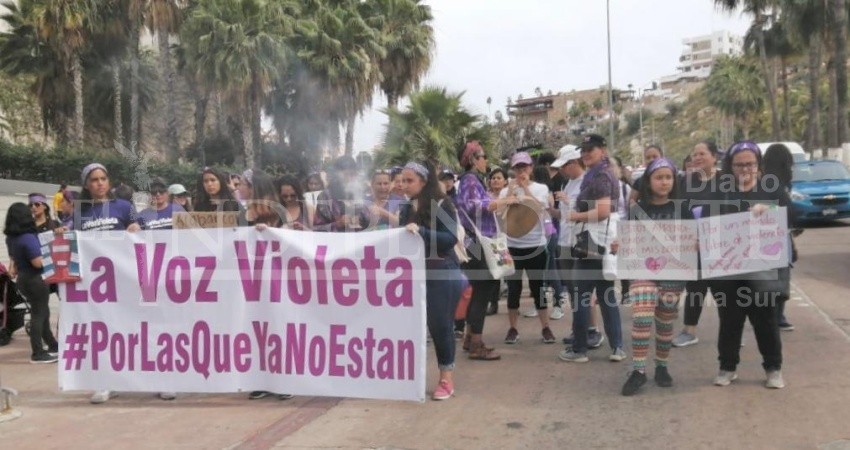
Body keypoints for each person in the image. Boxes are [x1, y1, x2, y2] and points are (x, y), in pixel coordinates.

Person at [709, 141, 788, 389]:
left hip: (763, 268)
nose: (745, 168)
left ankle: (773, 368)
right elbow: (705, 221)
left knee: (765, 321)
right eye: (739, 164)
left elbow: (791, 216)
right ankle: (727, 367)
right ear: (730, 166)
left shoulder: (772, 189)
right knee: (730, 321)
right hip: (729, 270)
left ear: (758, 164)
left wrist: (771, 208)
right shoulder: (719, 191)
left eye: (750, 164)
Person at [620, 158, 693, 396]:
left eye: (668, 177)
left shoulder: (684, 210)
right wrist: (618, 245)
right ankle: (638, 371)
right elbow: (628, 241)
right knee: (642, 317)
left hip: (673, 272)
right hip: (643, 271)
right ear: (649, 182)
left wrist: (697, 245)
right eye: (659, 177)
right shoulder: (637, 211)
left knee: (664, 322)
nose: (664, 182)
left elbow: (692, 242)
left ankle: (662, 366)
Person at [72, 163, 142, 403]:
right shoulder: (80, 211)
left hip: (126, 280)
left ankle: (155, 378)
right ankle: (106, 381)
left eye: (103, 178)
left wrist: (135, 227)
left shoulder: (123, 206)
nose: (100, 183)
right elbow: (78, 243)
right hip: (97, 286)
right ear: (86, 185)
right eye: (94, 180)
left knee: (136, 328)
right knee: (103, 332)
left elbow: (141, 235)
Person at [399, 161, 465, 400]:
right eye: (402, 180)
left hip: (442, 273)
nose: (403, 185)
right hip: (416, 275)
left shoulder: (441, 204)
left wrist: (422, 232)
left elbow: (449, 238)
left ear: (424, 182)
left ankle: (446, 379)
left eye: (409, 180)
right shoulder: (406, 208)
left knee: (441, 326)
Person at [559, 134, 624, 363]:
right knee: (606, 297)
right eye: (584, 149)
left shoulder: (600, 175)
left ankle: (579, 349)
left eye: (591, 149)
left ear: (602, 150)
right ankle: (617, 347)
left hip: (592, 242)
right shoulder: (601, 172)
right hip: (601, 241)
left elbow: (604, 210)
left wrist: (576, 215)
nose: (586, 153)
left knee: (581, 297)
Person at [500, 152, 557, 345]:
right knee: (513, 289)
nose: (521, 171)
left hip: (536, 245)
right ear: (513, 169)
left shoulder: (541, 188)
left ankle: (546, 327)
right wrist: (509, 193)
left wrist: (525, 190)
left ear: (531, 168)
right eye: (518, 168)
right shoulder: (506, 189)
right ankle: (513, 328)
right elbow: (500, 213)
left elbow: (542, 209)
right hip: (513, 246)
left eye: (525, 167)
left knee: (538, 288)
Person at [455, 141, 504, 360]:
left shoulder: (471, 180)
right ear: (474, 159)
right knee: (482, 291)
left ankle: (470, 338)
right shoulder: (471, 180)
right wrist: (503, 201)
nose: (486, 161)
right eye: (483, 156)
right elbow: (474, 207)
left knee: (478, 291)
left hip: (474, 243)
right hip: (477, 243)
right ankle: (476, 343)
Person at [552, 146, 604, 349]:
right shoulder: (568, 183)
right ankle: (579, 328)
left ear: (574, 162)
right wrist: (549, 210)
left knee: (584, 290)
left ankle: (592, 330)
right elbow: (564, 215)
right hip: (565, 240)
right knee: (574, 291)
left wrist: (569, 202)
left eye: (565, 165)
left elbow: (591, 210)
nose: (563, 170)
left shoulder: (587, 182)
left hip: (580, 242)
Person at [673, 141, 722, 347]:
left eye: (702, 153)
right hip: (693, 245)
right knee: (695, 288)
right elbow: (678, 208)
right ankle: (689, 330)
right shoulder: (685, 181)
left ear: (714, 157)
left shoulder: (726, 180)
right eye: (694, 154)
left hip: (722, 244)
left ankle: (732, 330)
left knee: (725, 290)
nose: (697, 157)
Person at [4, 203, 59, 364]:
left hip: (23, 279)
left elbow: (13, 259)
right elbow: (38, 263)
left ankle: (53, 345)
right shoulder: (28, 238)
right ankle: (38, 353)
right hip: (36, 279)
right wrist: (53, 256)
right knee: (39, 315)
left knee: (43, 313)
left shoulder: (11, 238)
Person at [763, 143, 796, 332]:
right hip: (774, 238)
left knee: (776, 278)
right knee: (779, 279)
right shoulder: (773, 183)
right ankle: (775, 316)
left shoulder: (770, 181)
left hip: (781, 237)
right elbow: (785, 211)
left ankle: (777, 315)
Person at [313, 156, 362, 232]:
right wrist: (338, 224)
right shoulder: (325, 196)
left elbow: (370, 224)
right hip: (334, 242)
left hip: (358, 242)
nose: (349, 178)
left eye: (352, 174)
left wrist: (361, 220)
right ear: (336, 175)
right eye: (346, 174)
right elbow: (318, 229)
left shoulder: (359, 194)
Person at [485, 167, 508, 316]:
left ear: (505, 181)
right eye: (493, 178)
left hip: (510, 237)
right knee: (496, 271)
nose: (495, 180)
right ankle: (493, 303)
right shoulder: (486, 196)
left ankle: (513, 302)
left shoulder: (509, 195)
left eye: (499, 178)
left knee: (511, 271)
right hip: (494, 239)